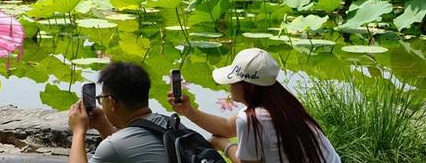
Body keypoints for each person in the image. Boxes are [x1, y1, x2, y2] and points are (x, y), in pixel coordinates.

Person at [168, 48, 341, 163]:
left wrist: (222, 144)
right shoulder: (280, 102)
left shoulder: (252, 119)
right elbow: (228, 127)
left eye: (234, 82)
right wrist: (189, 111)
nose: (229, 86)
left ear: (248, 86)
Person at [68, 61, 169, 163]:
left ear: (111, 103)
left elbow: (118, 147)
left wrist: (78, 131)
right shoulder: (172, 124)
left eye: (101, 98)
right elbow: (125, 151)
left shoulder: (113, 145)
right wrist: (103, 126)